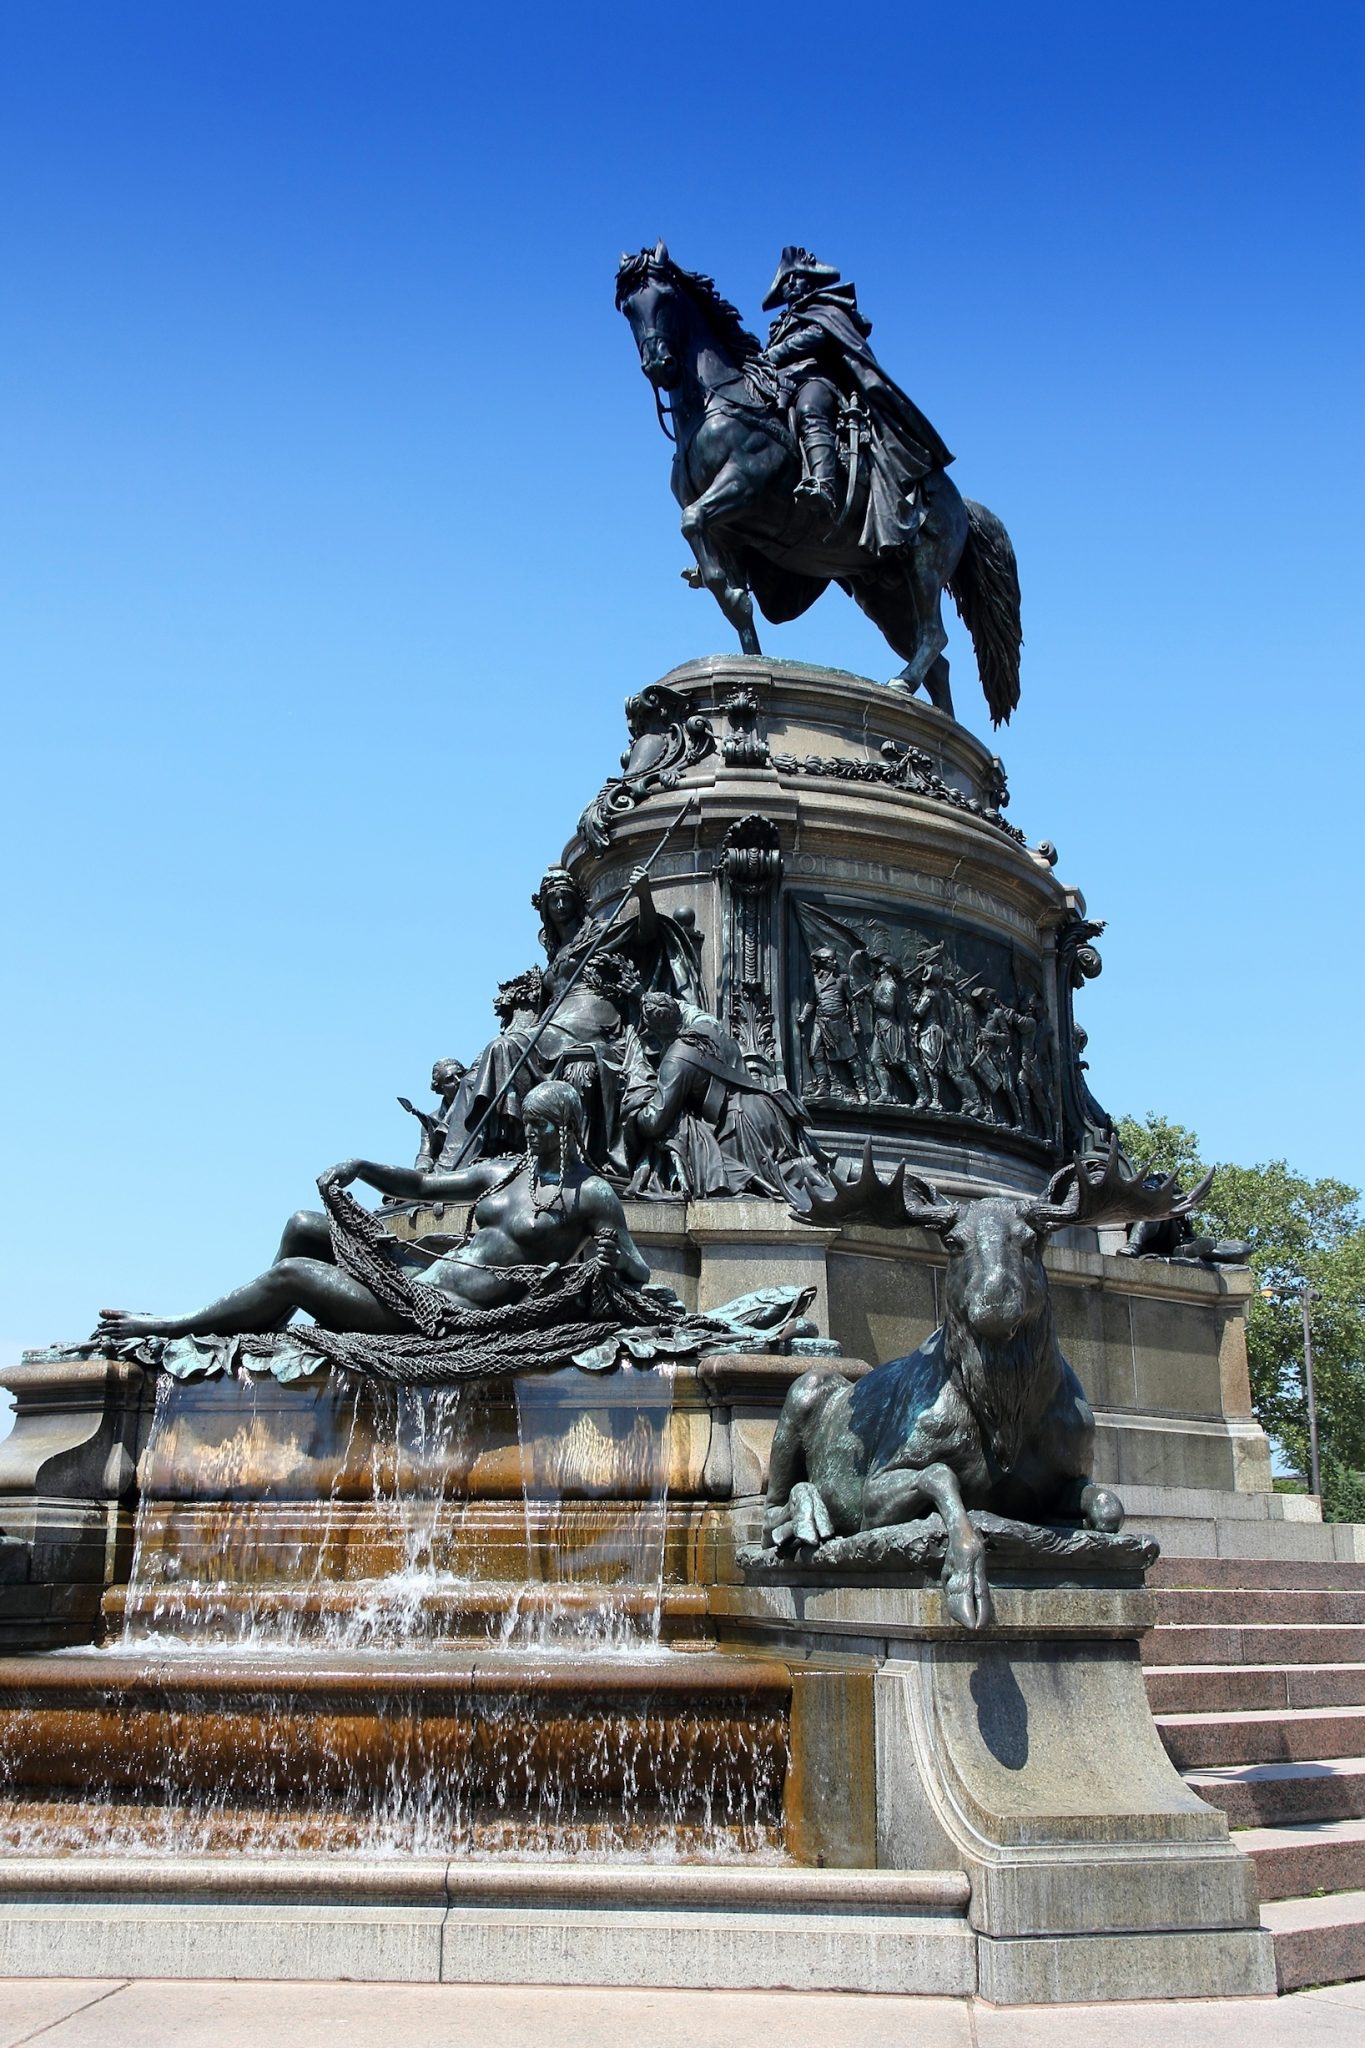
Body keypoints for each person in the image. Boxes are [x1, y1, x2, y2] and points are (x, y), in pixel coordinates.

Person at [95, 1082, 650, 1341]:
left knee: (293, 1274)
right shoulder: (503, 1172)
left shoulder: (591, 1195)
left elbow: (638, 1270)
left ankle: (173, 1325)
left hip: (441, 1310)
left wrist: (612, 1260)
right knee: (303, 1226)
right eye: (527, 1122)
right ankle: (263, 1332)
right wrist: (361, 1166)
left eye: (542, 1126)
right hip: (420, 1278)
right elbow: (422, 1183)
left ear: (568, 1128)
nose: (531, 1134)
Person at [756, 247, 953, 544]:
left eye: (797, 278)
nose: (791, 285)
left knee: (810, 408)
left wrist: (775, 352)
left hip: (820, 380)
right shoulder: (780, 324)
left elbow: (818, 337)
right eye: (786, 281)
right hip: (784, 384)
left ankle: (824, 485)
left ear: (811, 279)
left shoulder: (829, 309)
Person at [630, 993, 821, 1199]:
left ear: (655, 1029)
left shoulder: (675, 1061)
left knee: (757, 1177)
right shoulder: (709, 1027)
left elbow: (655, 1121)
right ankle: (813, 1168)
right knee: (775, 1165)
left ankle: (801, 1169)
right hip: (768, 1109)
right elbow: (692, 1012)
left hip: (738, 1125)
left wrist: (634, 1107)